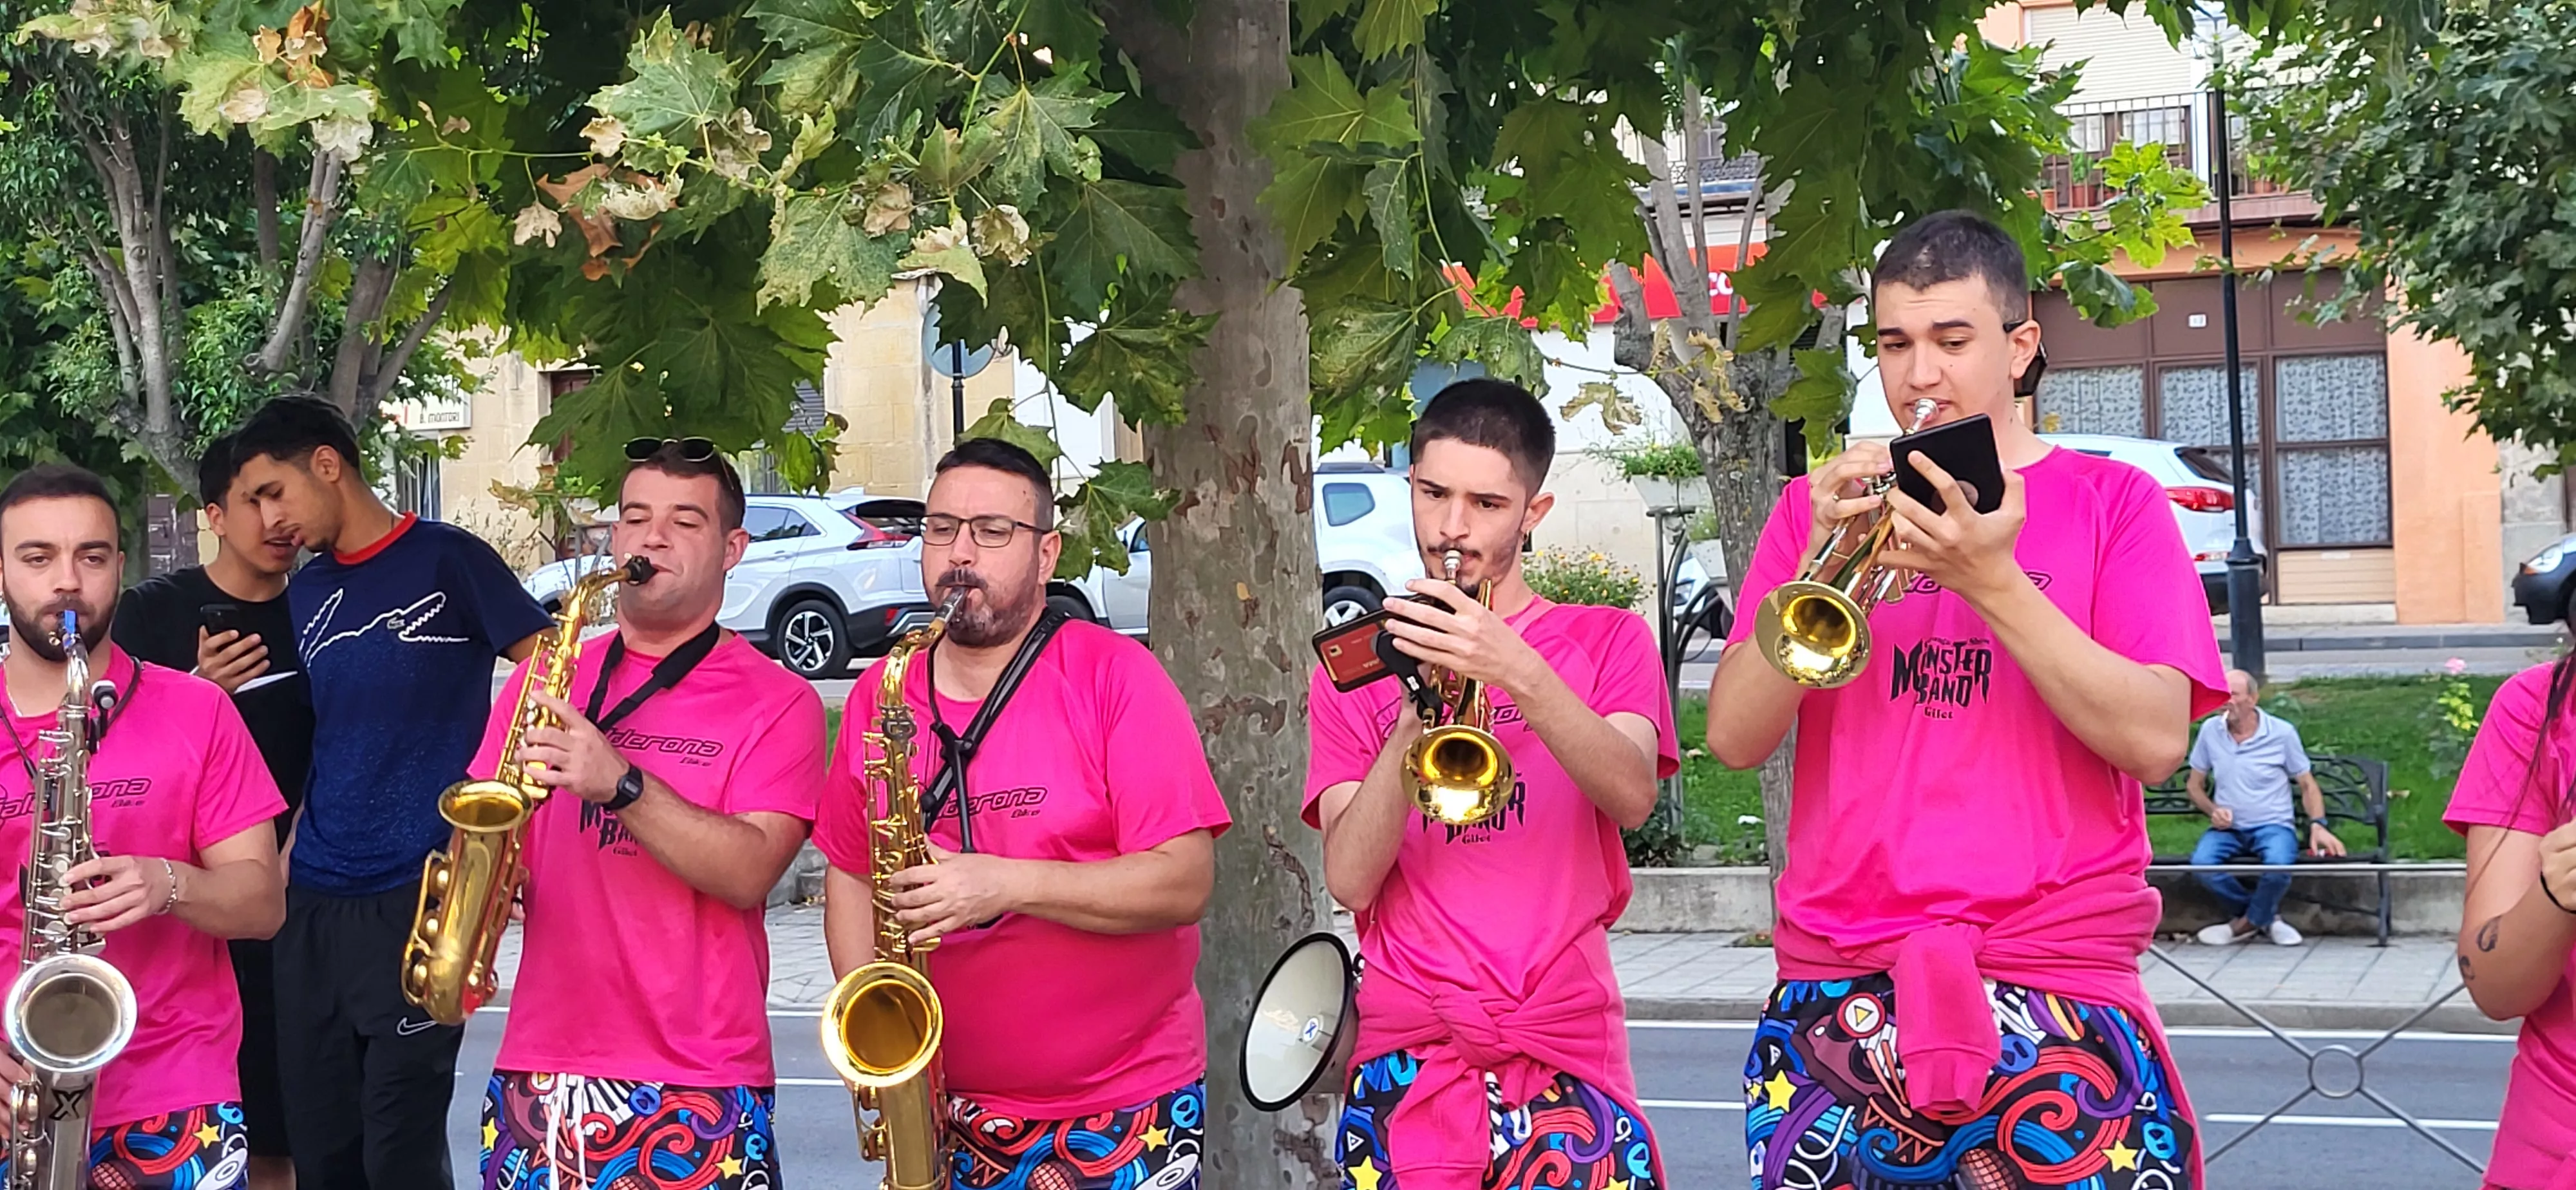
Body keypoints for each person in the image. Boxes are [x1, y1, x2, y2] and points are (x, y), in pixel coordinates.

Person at [1705, 210, 2226, 1190]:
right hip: (1845, 987)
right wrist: (1815, 558)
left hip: (2054, 983)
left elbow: (2156, 740)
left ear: (2022, 346)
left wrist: (1993, 582)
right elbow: (1734, 737)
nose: (1920, 376)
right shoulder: (1822, 508)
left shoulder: (2117, 505)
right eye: (1896, 345)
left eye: (1953, 341)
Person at [815, 437, 1229, 1190]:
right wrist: (877, 1031)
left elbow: (1184, 881)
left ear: (1046, 555)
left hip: (1117, 1114)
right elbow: (848, 874)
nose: (959, 553)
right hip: (941, 1111)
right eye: (940, 529)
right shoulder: (882, 693)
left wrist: (1005, 884)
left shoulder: (1118, 678)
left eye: (991, 532)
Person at [1307, 377, 1678, 1190]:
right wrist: (1414, 713)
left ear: (1532, 513)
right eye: (1432, 493)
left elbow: (1631, 796)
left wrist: (1513, 669)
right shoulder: (1357, 669)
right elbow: (1348, 877)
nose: (1450, 527)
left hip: (1561, 1043)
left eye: (1485, 503)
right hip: (1408, 1051)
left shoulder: (1605, 639)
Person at [469, 438, 823, 1188]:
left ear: (733, 549)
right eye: (634, 518)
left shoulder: (779, 701)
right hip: (538, 1072)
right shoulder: (547, 678)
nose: (651, 538)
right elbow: (485, 839)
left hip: (700, 1080)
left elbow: (749, 872)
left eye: (684, 522)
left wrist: (620, 783)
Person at [231, 395, 551, 1190]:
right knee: (322, 1146)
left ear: (328, 464)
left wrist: (501, 822)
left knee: (400, 1149)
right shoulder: (304, 593)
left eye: (274, 492)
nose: (270, 518)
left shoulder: (451, 560)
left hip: (424, 893)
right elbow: (323, 742)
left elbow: (552, 671)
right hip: (311, 900)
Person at [0, 463, 287, 1189]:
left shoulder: (199, 711)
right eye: (38, 558)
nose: (67, 582)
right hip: (12, 1094)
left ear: (120, 569)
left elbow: (262, 905)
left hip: (177, 1096)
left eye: (91, 557)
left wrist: (168, 882)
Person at [110, 432, 312, 1190]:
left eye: (286, 497)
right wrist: (197, 690)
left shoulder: (322, 610)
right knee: (228, 1113)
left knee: (297, 1125)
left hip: (302, 892)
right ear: (214, 516)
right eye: (255, 500)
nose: (276, 520)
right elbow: (104, 744)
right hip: (188, 908)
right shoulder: (149, 611)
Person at [2189, 668, 2344, 948]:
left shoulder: (2281, 733)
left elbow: (2307, 784)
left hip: (2273, 825)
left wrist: (2319, 824)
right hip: (2228, 828)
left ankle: (2243, 925)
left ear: (2253, 698)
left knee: (2279, 866)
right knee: (2202, 865)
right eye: (2223, 695)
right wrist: (2212, 810)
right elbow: (2194, 786)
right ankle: (2267, 919)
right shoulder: (2211, 731)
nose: (2226, 701)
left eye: (2234, 695)